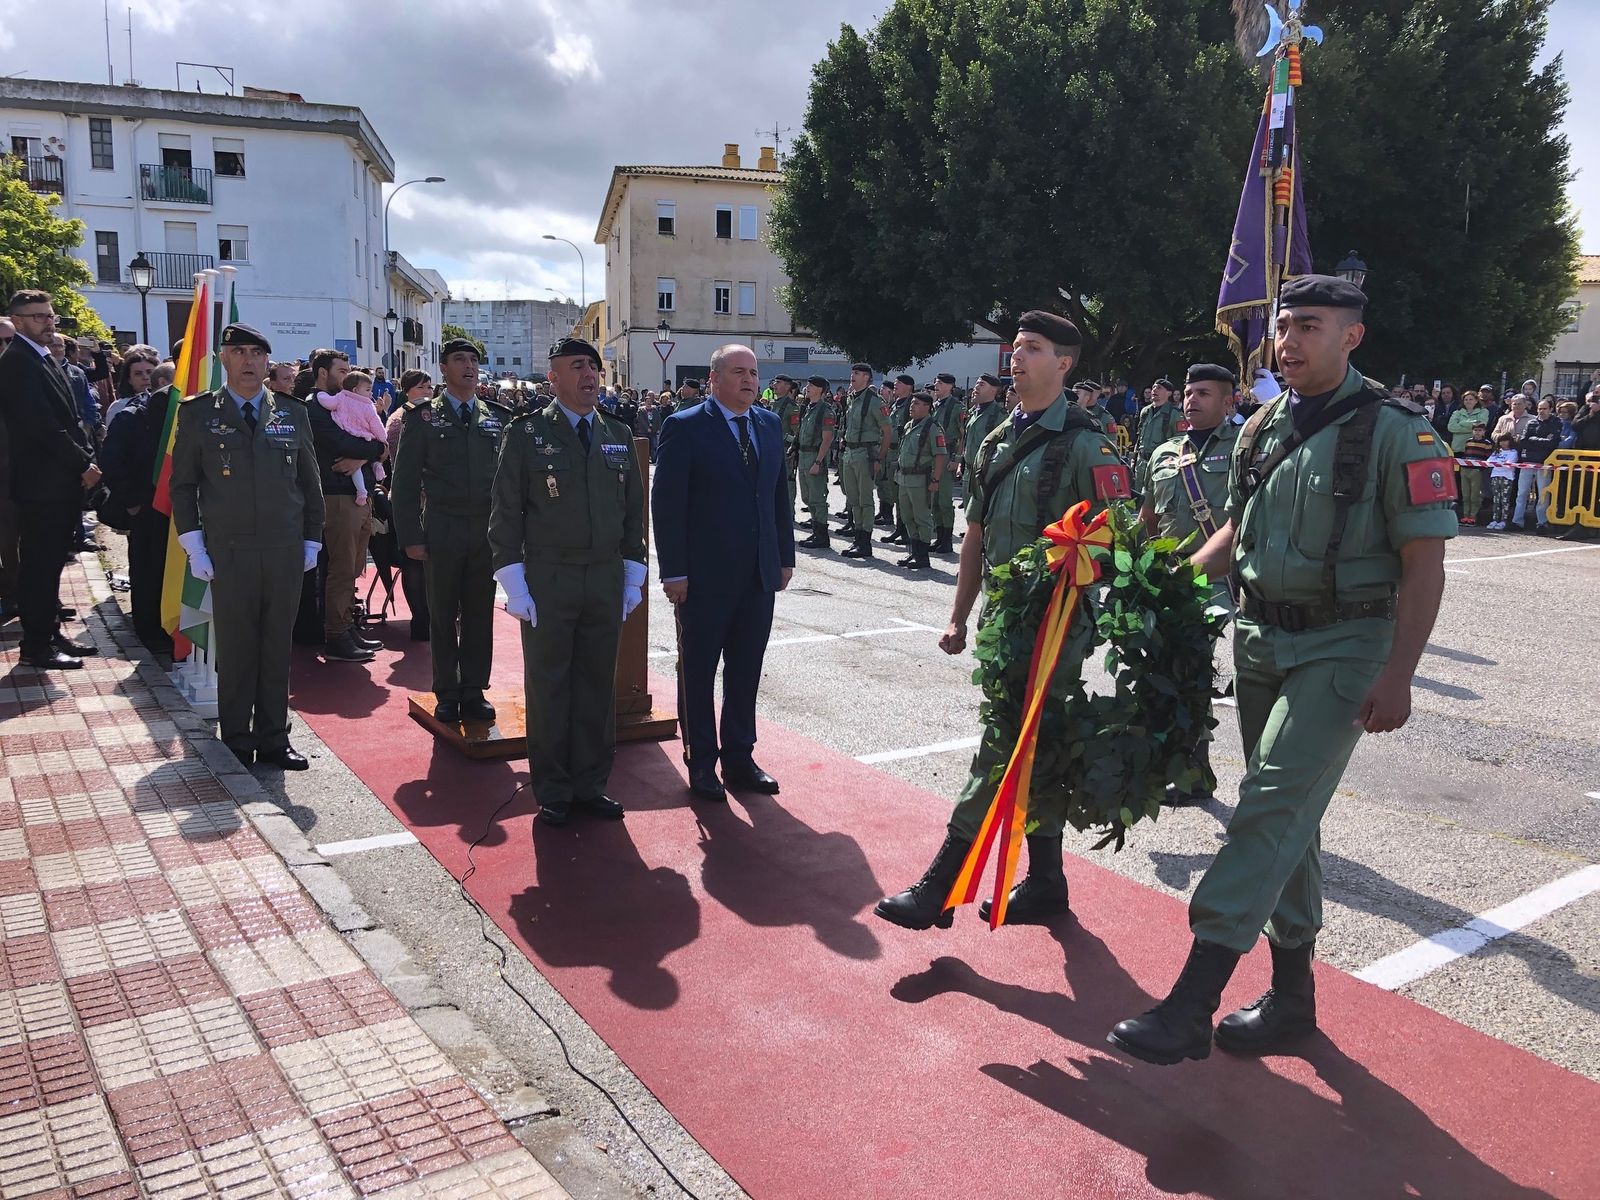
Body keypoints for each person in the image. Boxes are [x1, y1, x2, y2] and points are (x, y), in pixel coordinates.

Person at [1107, 275, 1457, 1066]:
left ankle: (1192, 1001)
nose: (1288, 341)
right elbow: (1237, 528)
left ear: (1351, 337)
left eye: (1308, 326)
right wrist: (1165, 587)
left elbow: (1424, 563)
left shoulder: (1399, 431)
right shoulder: (1262, 425)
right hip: (1261, 639)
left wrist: (1401, 672)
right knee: (1290, 819)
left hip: (1346, 646)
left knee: (1265, 806)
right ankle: (1293, 999)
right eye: (1282, 326)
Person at [876, 310, 1126, 932]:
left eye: (1033, 349)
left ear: (1064, 365)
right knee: (1032, 748)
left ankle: (940, 884)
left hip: (1054, 626)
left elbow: (1118, 542)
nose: (1016, 358)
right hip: (1001, 618)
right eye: (1015, 348)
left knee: (1002, 745)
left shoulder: (1088, 445)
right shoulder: (994, 440)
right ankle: (1045, 881)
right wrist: (959, 616)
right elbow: (977, 536)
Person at [489, 337, 645, 827]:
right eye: (576, 367)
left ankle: (591, 785)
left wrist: (632, 575)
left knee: (597, 684)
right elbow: (505, 513)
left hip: (602, 574)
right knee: (551, 683)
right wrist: (514, 585)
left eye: (593, 367)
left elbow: (632, 518)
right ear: (552, 378)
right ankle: (554, 788)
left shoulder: (617, 433)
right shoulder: (526, 433)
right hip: (549, 576)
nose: (589, 375)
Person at [170, 323, 325, 769]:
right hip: (229, 549)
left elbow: (309, 482)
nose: (249, 361)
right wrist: (194, 545)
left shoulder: (292, 412)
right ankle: (237, 736)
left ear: (268, 362)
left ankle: (275, 737)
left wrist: (313, 537)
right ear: (223, 359)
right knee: (238, 647)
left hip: (284, 548)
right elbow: (183, 486)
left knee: (278, 645)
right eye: (239, 352)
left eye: (257, 353)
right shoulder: (199, 413)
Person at [653, 343, 793, 802]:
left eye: (753, 372)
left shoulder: (768, 425)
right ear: (714, 380)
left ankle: (739, 756)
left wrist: (784, 556)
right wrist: (673, 570)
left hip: (757, 573)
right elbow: (668, 505)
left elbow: (777, 497)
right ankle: (701, 762)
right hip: (704, 575)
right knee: (698, 670)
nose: (750, 380)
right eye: (738, 372)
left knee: (746, 669)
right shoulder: (685, 426)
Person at [1138, 363, 1240, 805]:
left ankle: (1195, 773)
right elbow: (1147, 518)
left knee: (1195, 672)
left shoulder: (1242, 449)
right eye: (1188, 391)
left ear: (1229, 401)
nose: (1191, 400)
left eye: (1204, 393)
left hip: (1219, 581)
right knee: (1170, 673)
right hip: (1168, 579)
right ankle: (1181, 766)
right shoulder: (1164, 453)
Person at [392, 342, 509, 722]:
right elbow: (405, 482)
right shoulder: (423, 417)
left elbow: (509, 483)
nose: (469, 367)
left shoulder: (496, 416)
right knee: (442, 612)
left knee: (479, 612)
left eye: (475, 360)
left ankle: (474, 689)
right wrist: (411, 535)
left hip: (485, 529)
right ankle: (446, 690)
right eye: (460, 360)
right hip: (442, 525)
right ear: (443, 369)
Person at [0, 291, 101, 668]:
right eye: (39, 316)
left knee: (51, 562)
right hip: (41, 484)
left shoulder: (41, 358)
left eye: (51, 315)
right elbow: (43, 426)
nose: (49, 322)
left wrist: (85, 458)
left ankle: (49, 631)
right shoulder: (17, 363)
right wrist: (82, 463)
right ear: (19, 320)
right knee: (39, 565)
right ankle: (37, 645)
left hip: (57, 482)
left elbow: (70, 419)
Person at [306, 348, 384, 662]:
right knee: (341, 567)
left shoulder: (350, 402)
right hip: (336, 494)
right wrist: (371, 449)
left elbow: (378, 443)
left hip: (356, 494)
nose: (347, 376)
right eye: (341, 370)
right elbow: (340, 443)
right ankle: (336, 634)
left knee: (352, 567)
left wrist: (368, 452)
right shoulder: (316, 406)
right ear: (323, 372)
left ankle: (346, 624)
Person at [99, 354, 174, 655]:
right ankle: (149, 632)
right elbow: (112, 462)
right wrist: (132, 502)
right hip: (144, 508)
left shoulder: (178, 415)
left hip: (173, 509)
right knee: (146, 570)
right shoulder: (130, 417)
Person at [384, 369, 434, 640]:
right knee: (413, 563)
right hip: (411, 500)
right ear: (407, 390)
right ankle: (420, 618)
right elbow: (400, 461)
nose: (427, 391)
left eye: (429, 386)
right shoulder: (399, 419)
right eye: (421, 387)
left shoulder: (434, 414)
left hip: (434, 501)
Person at [838, 363, 892, 559]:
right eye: (853, 372)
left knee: (865, 500)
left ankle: (865, 542)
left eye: (858, 373)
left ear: (867, 377)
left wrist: (879, 457)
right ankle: (857, 537)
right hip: (850, 452)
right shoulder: (853, 399)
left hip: (865, 454)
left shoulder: (875, 402)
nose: (853, 376)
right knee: (853, 499)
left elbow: (887, 432)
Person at [894, 391, 947, 571]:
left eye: (916, 404)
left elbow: (940, 455)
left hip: (920, 479)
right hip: (904, 478)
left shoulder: (932, 427)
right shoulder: (909, 425)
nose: (912, 406)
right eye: (911, 403)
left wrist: (936, 479)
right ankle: (914, 552)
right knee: (907, 516)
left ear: (927, 407)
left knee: (922, 517)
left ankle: (923, 556)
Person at [317, 371, 388, 506]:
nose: (371, 393)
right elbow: (375, 423)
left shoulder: (342, 397)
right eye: (368, 390)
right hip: (364, 437)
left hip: (352, 434)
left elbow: (328, 403)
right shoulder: (367, 405)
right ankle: (370, 477)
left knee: (358, 467)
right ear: (356, 389)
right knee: (358, 464)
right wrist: (382, 437)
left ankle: (363, 488)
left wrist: (320, 395)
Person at [796, 375, 837, 550]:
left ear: (819, 390)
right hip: (804, 456)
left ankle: (822, 537)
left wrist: (818, 462)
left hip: (814, 456)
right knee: (807, 497)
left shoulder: (825, 411)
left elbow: (827, 440)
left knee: (817, 498)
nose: (807, 388)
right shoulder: (807, 409)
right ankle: (815, 531)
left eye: (811, 385)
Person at [929, 373, 965, 552]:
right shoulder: (935, 405)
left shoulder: (956, 407)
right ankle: (939, 536)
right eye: (936, 382)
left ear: (951, 386)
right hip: (933, 456)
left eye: (941, 383)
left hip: (947, 454)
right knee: (934, 500)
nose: (936, 385)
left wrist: (957, 460)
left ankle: (947, 540)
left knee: (943, 499)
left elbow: (962, 435)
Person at [878, 375, 914, 546]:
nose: (895, 385)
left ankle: (906, 530)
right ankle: (899, 528)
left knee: (902, 494)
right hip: (890, 452)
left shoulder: (910, 406)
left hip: (901, 452)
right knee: (894, 492)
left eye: (899, 383)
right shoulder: (895, 405)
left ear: (909, 387)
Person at [1515, 397, 1560, 532]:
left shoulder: (1556, 423)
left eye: (1544, 408)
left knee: (1543, 495)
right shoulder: (1531, 422)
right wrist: (1543, 440)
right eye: (1539, 408)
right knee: (1521, 493)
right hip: (1528, 461)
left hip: (1544, 463)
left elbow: (1553, 443)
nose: (1541, 411)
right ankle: (1517, 522)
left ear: (1551, 409)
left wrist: (1533, 440)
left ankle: (1542, 522)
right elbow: (1524, 441)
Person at [1133, 377, 1182, 497]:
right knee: (1138, 499)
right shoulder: (1145, 412)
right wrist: (1134, 457)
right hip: (1142, 463)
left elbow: (1180, 442)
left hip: (1161, 464)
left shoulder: (1174, 414)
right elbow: (1139, 437)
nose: (1154, 390)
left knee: (1157, 499)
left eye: (1159, 388)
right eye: (1154, 387)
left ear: (1169, 393)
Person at [0, 316, 17, 625]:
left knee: (14, 544)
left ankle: (15, 596)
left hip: (15, 479)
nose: (5, 348)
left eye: (9, 341)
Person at [768, 374, 802, 523]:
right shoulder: (775, 403)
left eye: (779, 382)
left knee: (787, 483)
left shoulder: (791, 407)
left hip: (786, 451)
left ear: (788, 386)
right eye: (775, 382)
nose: (775, 385)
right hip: (773, 450)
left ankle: (788, 514)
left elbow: (797, 432)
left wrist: (791, 446)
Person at [963, 374, 1007, 484]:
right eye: (976, 383)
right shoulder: (972, 413)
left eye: (981, 384)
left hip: (985, 474)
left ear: (993, 390)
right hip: (968, 473)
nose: (976, 387)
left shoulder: (1000, 416)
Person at [1459, 422, 1494, 526]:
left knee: (1474, 495)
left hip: (1477, 471)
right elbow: (1465, 453)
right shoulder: (1468, 441)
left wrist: (1481, 469)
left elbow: (1488, 458)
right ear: (1472, 431)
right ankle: (1465, 515)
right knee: (1465, 494)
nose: (1477, 432)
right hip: (1465, 469)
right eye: (1475, 430)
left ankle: (1473, 516)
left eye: (1480, 430)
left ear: (1484, 432)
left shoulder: (1487, 443)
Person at [1485, 432, 1520, 529]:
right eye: (1501, 441)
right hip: (1495, 475)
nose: (1503, 443)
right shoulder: (1497, 452)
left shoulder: (1513, 452)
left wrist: (1497, 463)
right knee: (1496, 499)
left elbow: (1509, 464)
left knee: (1505, 500)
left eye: (1505, 440)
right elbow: (1488, 462)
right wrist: (1499, 463)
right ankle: (1495, 519)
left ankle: (1504, 520)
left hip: (1507, 477)